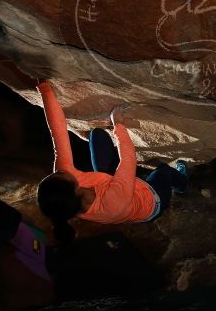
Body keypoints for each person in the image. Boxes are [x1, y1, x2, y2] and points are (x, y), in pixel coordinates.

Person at [35, 80, 188, 243]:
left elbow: (57, 133)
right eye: (60, 173)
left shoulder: (68, 189)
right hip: (151, 202)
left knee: (97, 135)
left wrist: (45, 90)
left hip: (110, 184)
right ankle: (182, 186)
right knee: (164, 171)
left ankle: (139, 178)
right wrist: (118, 125)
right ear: (75, 189)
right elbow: (128, 159)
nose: (61, 169)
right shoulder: (112, 204)